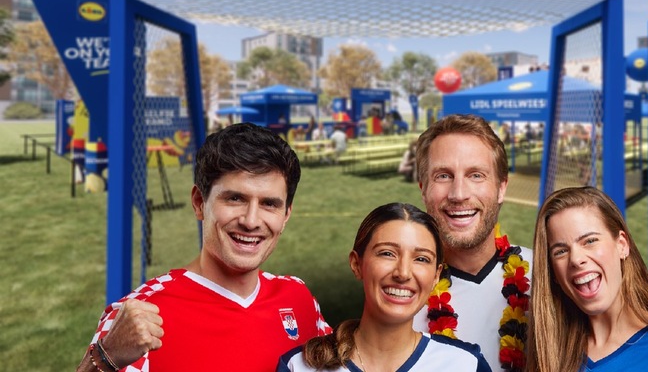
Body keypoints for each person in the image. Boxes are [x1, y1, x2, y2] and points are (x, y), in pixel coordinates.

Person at [76, 123, 331, 372]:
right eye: (235, 198)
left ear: (286, 215)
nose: (251, 221)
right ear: (199, 203)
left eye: (269, 204)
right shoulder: (141, 315)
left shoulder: (298, 298)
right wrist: (105, 357)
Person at [528, 186, 648, 372]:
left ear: (622, 245)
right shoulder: (550, 355)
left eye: (590, 241)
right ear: (553, 273)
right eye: (561, 251)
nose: (576, 259)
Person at [277, 203, 491, 372]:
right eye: (387, 253)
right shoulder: (300, 366)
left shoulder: (466, 364)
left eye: (422, 259)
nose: (403, 273)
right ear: (356, 264)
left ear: (436, 275)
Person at [412, 114, 533, 372]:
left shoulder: (547, 275)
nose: (458, 194)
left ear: (501, 188)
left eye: (476, 175)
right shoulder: (403, 296)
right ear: (423, 189)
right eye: (443, 176)